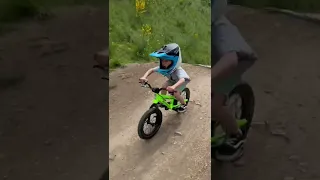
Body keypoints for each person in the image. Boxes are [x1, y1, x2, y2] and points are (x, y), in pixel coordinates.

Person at [211, 0, 258, 161]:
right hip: (214, 60)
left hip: (233, 61)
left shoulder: (220, 28)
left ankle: (235, 135)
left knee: (213, 106)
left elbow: (231, 60)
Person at [139, 43, 191, 113]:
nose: (163, 63)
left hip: (181, 81)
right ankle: (163, 100)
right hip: (172, 80)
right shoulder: (163, 68)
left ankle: (183, 105)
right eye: (162, 60)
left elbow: (183, 79)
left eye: (166, 61)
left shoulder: (178, 70)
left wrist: (173, 87)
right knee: (164, 86)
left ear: (174, 61)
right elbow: (151, 70)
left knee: (176, 94)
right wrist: (144, 77)